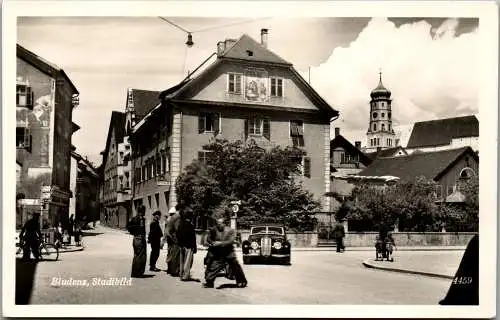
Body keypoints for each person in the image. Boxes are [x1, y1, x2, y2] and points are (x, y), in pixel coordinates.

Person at [203, 213, 247, 288]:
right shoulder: (214, 229)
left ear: (224, 224)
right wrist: (212, 242)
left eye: (220, 224)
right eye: (217, 224)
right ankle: (209, 281)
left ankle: (241, 281)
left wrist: (219, 243)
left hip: (229, 252)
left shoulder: (230, 231)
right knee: (214, 267)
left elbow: (230, 241)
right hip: (218, 253)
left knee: (235, 267)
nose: (218, 225)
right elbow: (209, 238)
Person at [177, 208, 197, 281]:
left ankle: (181, 274)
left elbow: (178, 235)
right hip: (189, 246)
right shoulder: (190, 225)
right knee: (187, 262)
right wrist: (194, 248)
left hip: (181, 245)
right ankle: (185, 276)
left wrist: (180, 244)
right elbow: (193, 237)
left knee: (181, 261)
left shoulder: (180, 224)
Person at [129, 205, 147, 278]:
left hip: (135, 238)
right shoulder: (141, 219)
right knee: (140, 256)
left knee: (136, 255)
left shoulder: (134, 218)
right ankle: (138, 273)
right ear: (142, 211)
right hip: (140, 239)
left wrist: (134, 233)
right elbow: (142, 230)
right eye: (144, 210)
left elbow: (129, 228)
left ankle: (134, 272)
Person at [164, 206, 181, 276]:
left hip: (169, 239)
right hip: (173, 239)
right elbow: (176, 229)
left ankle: (169, 269)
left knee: (170, 253)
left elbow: (166, 231)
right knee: (174, 254)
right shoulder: (175, 219)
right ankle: (173, 270)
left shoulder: (168, 219)